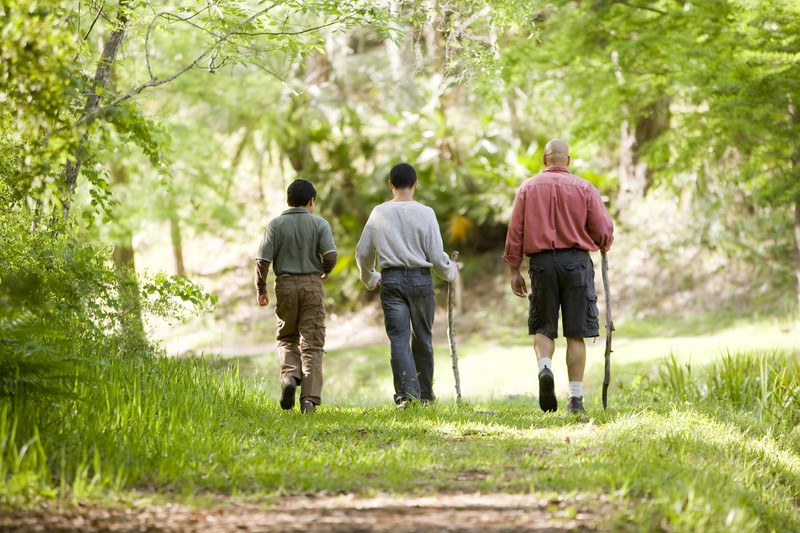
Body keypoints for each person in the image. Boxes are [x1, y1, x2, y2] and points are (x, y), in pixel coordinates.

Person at [503, 139, 614, 414]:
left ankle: (545, 368)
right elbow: (602, 231)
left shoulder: (527, 188)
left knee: (543, 326)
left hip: (541, 264)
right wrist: (604, 241)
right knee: (576, 332)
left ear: (544, 159)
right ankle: (575, 399)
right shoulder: (584, 188)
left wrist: (514, 269)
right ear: (568, 159)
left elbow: (515, 232)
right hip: (576, 263)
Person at [355, 163, 458, 409]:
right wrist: (450, 272)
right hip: (421, 280)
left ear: (390, 184)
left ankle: (405, 396)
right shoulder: (426, 213)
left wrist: (370, 278)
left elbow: (362, 253)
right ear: (416, 184)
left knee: (399, 339)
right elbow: (435, 255)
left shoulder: (379, 213)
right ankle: (425, 396)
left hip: (390, 281)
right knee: (423, 337)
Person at [255, 179, 337, 414]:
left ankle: (290, 376)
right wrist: (325, 270)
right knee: (312, 343)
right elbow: (330, 255)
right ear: (311, 201)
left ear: (288, 201)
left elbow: (262, 261)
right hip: (312, 285)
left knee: (287, 337)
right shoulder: (320, 224)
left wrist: (261, 289)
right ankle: (309, 400)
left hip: (285, 286)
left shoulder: (275, 225)